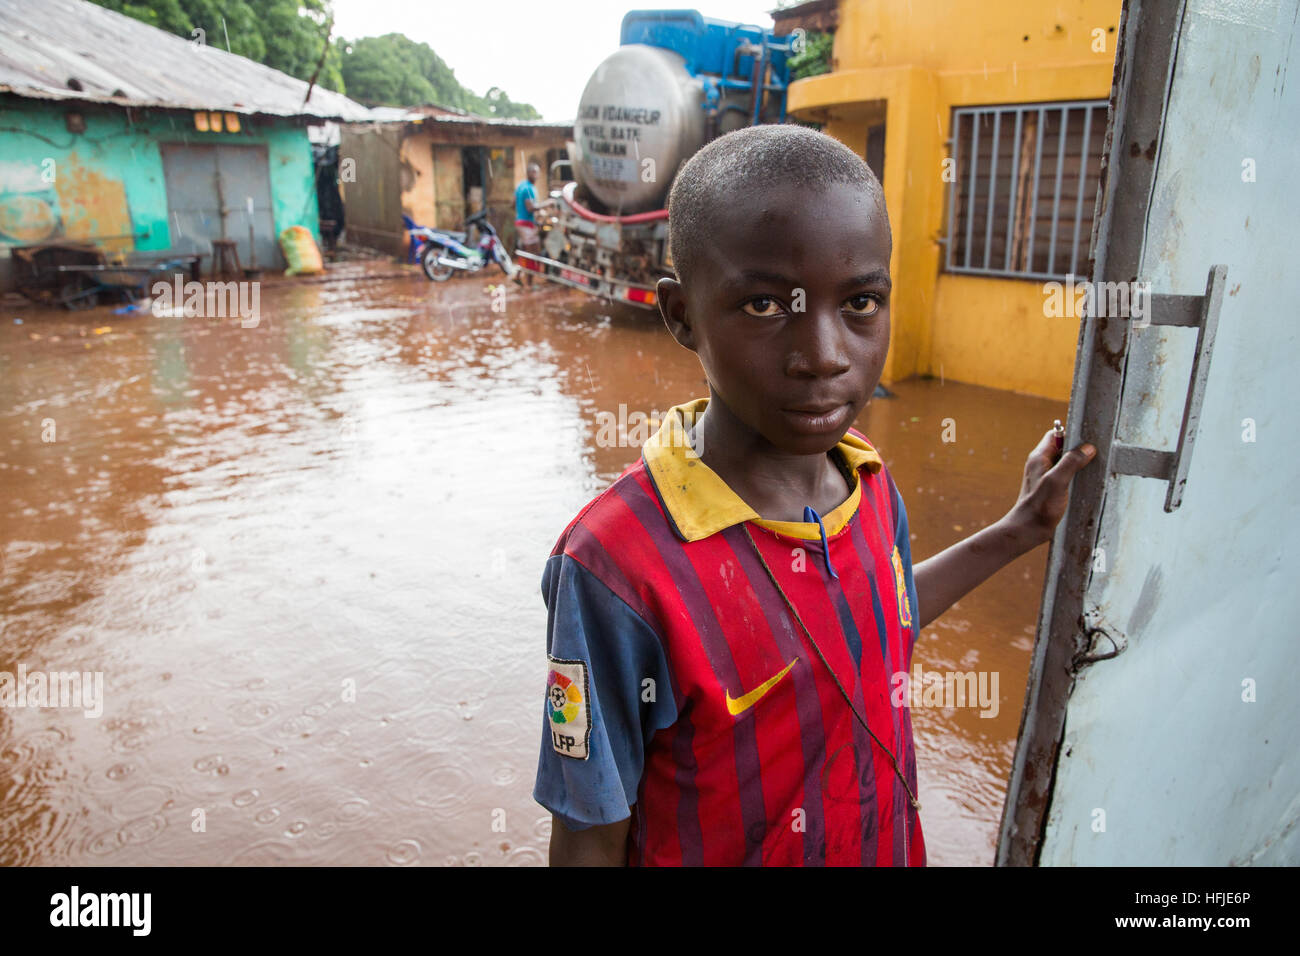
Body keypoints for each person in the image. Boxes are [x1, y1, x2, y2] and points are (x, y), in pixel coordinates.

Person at [531, 124, 1097, 866]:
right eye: (766, 307)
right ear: (681, 317)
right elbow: (588, 834)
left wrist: (1018, 531)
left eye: (861, 302)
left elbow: (878, 621)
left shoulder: (865, 480)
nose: (825, 356)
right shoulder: (616, 567)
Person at [514, 162, 554, 287]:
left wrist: (521, 213)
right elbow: (531, 207)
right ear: (529, 173)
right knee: (533, 254)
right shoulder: (529, 188)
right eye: (534, 172)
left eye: (537, 173)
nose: (536, 175)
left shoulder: (521, 186)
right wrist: (548, 203)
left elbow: (512, 203)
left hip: (520, 222)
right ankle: (529, 284)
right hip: (526, 224)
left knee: (526, 253)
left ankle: (518, 276)